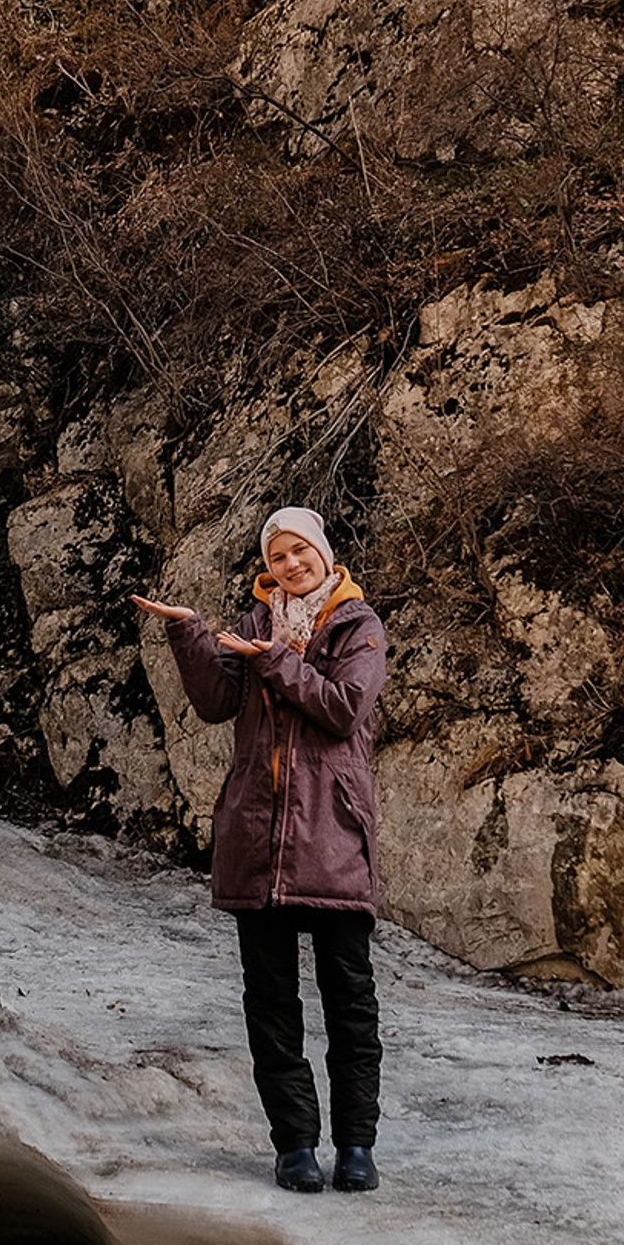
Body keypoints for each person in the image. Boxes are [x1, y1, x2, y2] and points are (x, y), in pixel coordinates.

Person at [134, 507, 388, 1195]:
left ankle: (356, 1146)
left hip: (332, 839)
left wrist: (274, 657)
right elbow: (216, 702)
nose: (291, 564)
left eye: (301, 550)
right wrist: (188, 632)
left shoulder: (358, 626)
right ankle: (295, 1146)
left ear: (323, 553)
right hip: (257, 839)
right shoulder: (252, 623)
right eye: (278, 556)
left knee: (350, 1004)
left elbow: (342, 709)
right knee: (271, 1004)